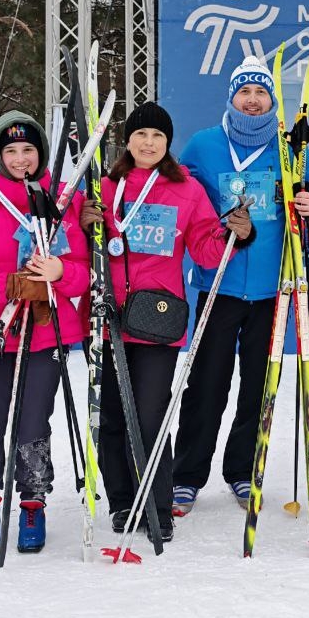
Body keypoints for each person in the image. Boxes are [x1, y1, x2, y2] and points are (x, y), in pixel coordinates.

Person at [170, 57, 309, 516]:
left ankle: (243, 470)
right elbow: (179, 195)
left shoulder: (290, 148)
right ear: (232, 97)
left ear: (271, 100)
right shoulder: (203, 145)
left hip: (271, 289)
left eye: (261, 92)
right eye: (246, 92)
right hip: (218, 285)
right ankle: (186, 475)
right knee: (206, 385)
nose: (254, 100)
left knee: (258, 387)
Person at [0, 111, 95, 555]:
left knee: (33, 423)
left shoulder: (62, 199)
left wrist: (60, 272)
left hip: (43, 331)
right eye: (10, 151)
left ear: (41, 153)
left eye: (29, 150)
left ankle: (32, 501)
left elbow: (84, 274)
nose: (21, 158)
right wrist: (5, 284)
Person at [99, 102, 256, 543]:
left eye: (157, 137)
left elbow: (207, 250)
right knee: (114, 413)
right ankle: (122, 501)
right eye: (140, 135)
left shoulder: (185, 188)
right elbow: (84, 242)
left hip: (157, 317)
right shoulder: (106, 187)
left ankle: (156, 501)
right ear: (127, 141)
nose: (148, 143)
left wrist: (232, 234)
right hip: (111, 312)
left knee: (150, 412)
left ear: (167, 144)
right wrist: (86, 219)